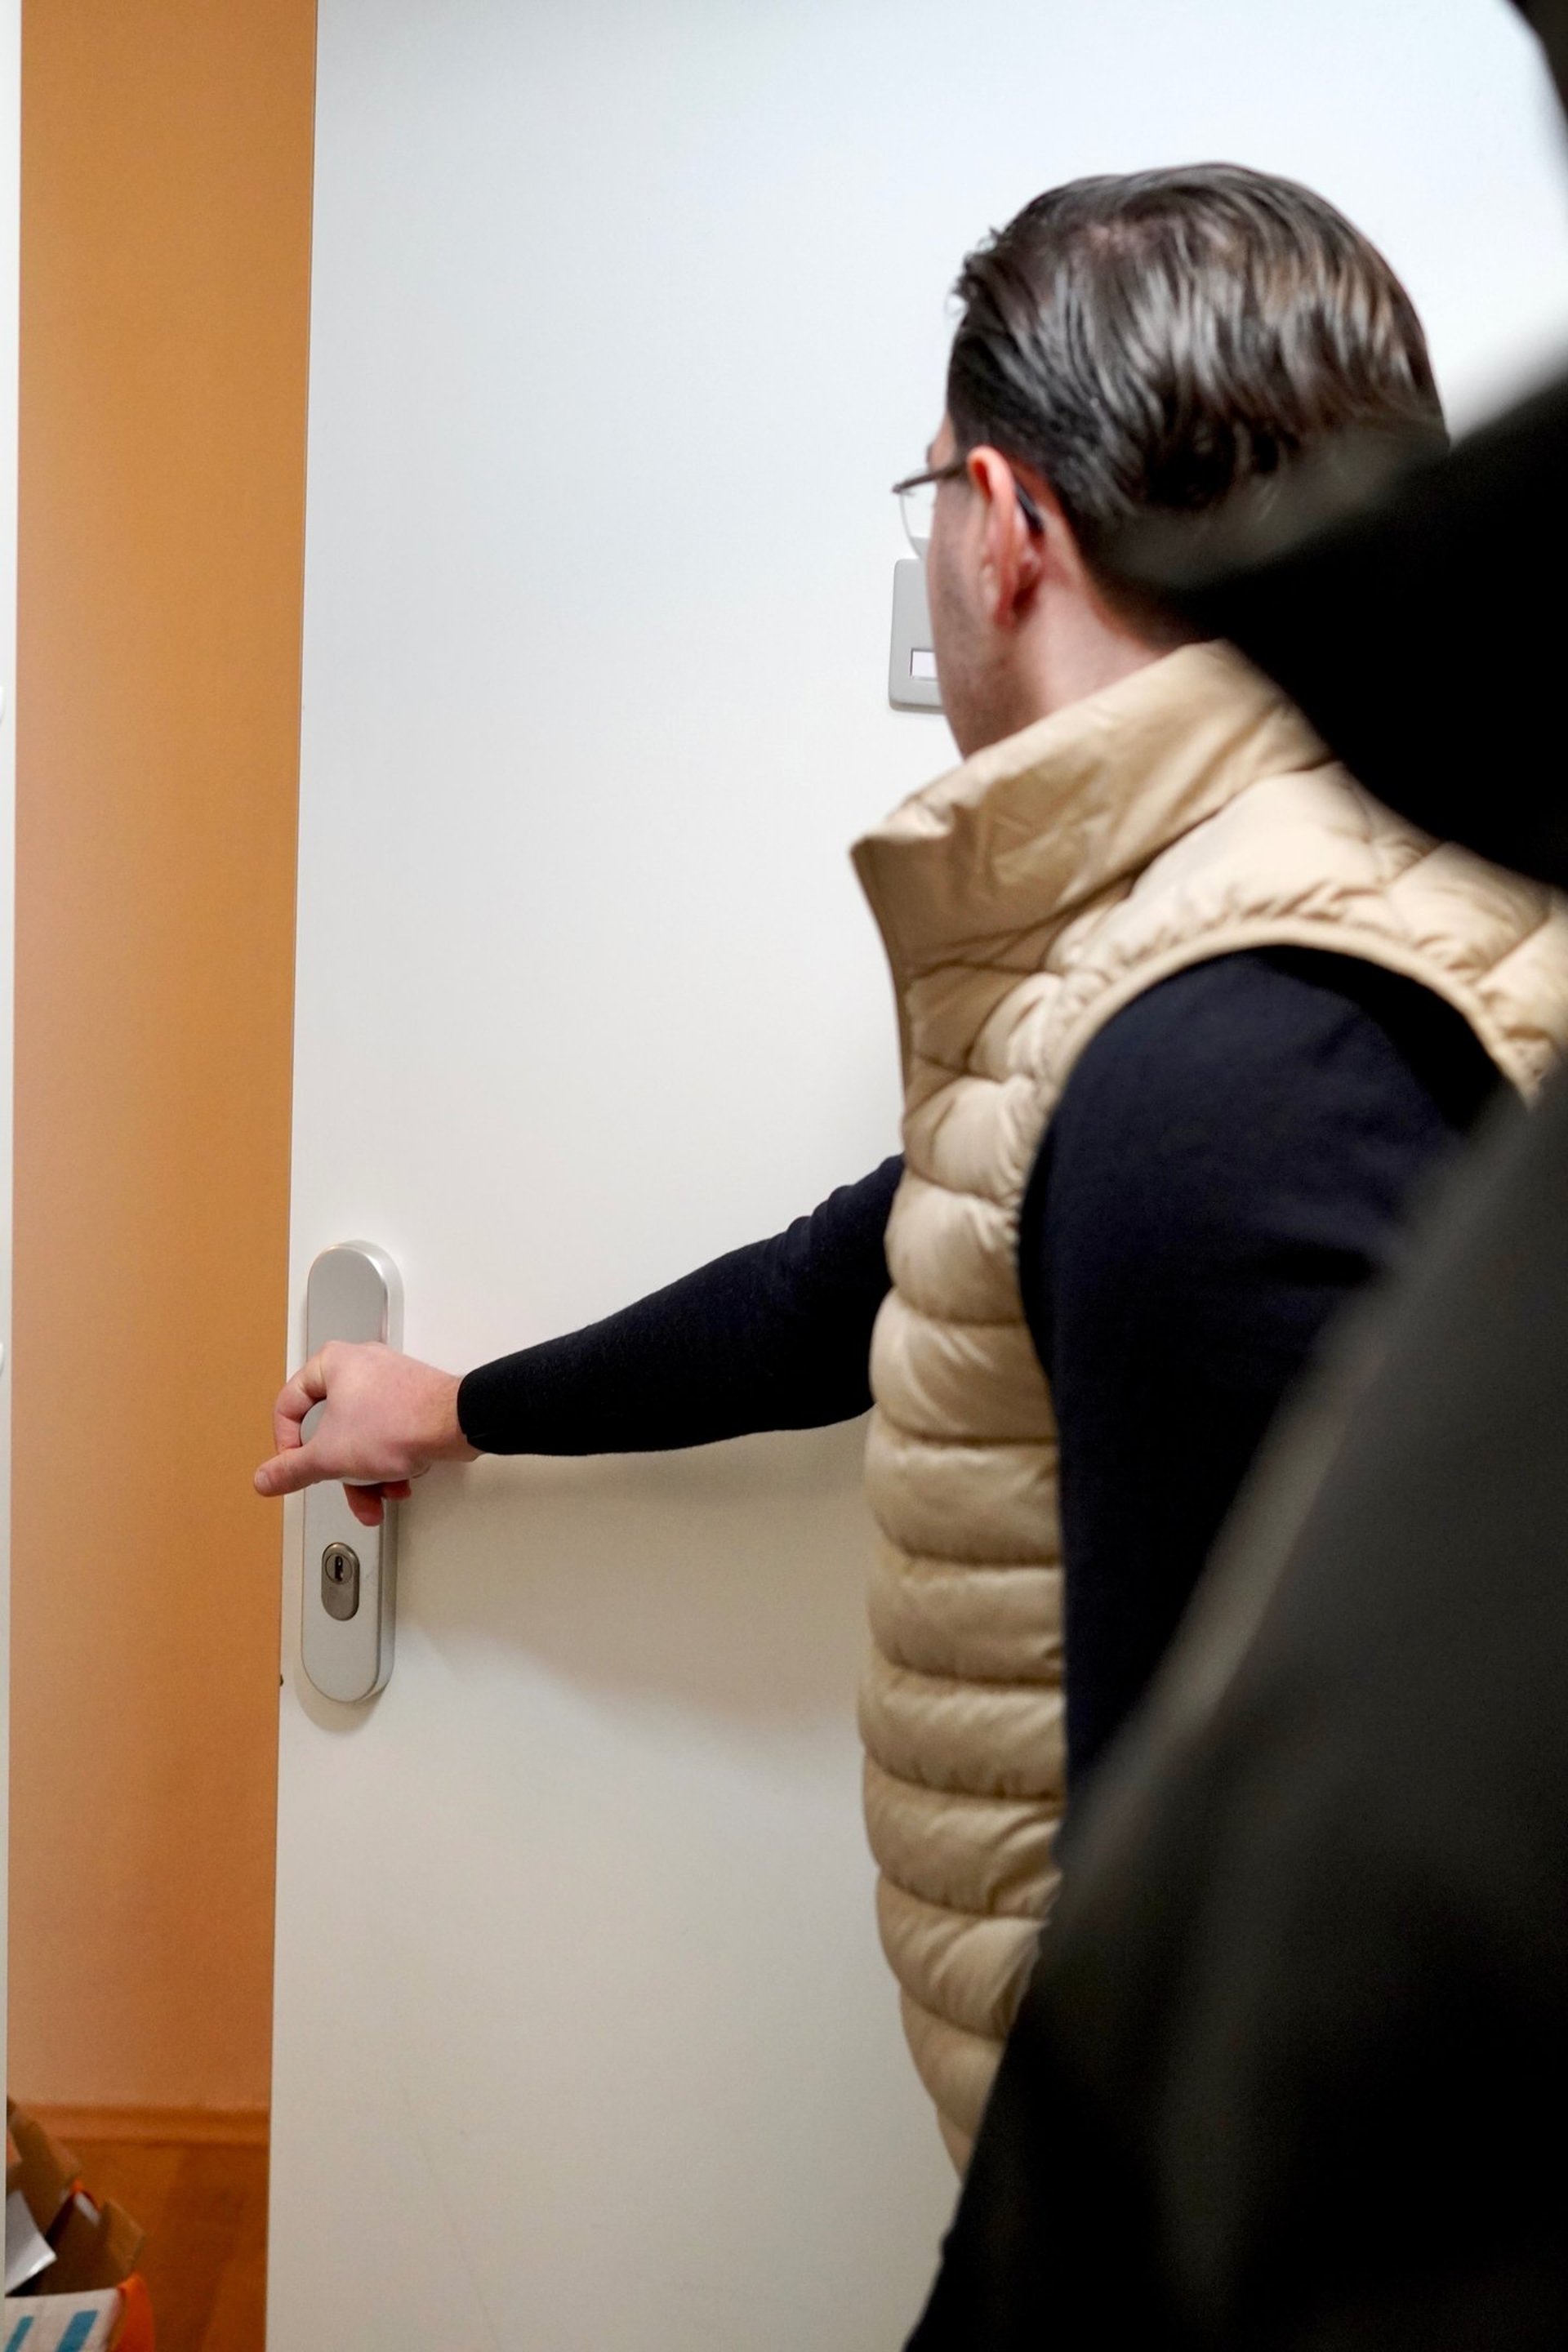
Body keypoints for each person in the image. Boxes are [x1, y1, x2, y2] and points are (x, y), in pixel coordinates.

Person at [254, 164, 1568, 2167]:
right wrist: (458, 1405)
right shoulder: (1212, 953)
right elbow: (880, 1267)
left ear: (999, 522)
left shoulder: (1233, 1051)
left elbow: (1241, 2007)